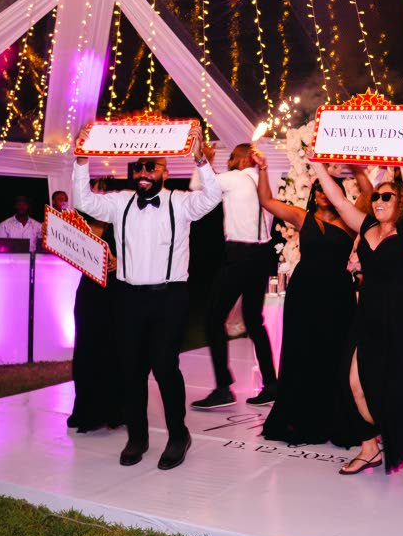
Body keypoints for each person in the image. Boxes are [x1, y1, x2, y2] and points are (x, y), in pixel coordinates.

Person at [72, 124, 220, 470]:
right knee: (131, 371)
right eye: (138, 167)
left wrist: (200, 161)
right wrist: (81, 161)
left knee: (166, 368)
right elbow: (84, 200)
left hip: (169, 297)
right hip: (127, 298)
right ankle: (137, 437)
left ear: (165, 172)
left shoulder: (180, 203)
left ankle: (178, 435)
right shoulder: (120, 202)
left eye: (150, 167)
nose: (142, 173)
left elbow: (212, 197)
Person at [315, 134, 403, 485]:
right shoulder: (366, 226)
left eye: (388, 196)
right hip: (368, 313)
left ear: (397, 203)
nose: (380, 200)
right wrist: (316, 165)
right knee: (351, 379)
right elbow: (339, 200)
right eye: (377, 196)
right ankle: (370, 446)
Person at [257, 149, 372, 445]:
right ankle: (298, 417)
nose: (322, 193)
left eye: (327, 188)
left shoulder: (349, 219)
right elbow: (267, 202)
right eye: (319, 188)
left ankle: (333, 419)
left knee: (334, 354)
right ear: (313, 192)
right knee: (301, 352)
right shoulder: (301, 217)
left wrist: (358, 168)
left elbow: (370, 196)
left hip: (337, 295)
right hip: (303, 293)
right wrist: (262, 169)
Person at [191, 143, 280, 410]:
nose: (227, 161)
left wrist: (203, 162)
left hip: (240, 254)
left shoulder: (235, 178)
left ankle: (222, 388)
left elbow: (198, 187)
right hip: (262, 255)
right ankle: (272, 384)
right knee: (254, 320)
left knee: (213, 318)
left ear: (243, 160)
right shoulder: (260, 179)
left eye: (231, 157)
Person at [67, 191, 122, 434]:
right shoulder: (83, 222)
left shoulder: (121, 223)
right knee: (86, 350)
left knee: (112, 349)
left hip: (114, 292)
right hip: (89, 292)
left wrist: (119, 262)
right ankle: (86, 410)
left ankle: (112, 410)